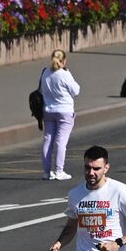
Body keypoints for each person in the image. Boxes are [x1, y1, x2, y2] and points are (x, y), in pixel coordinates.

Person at [41, 48, 81, 181]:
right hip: (65, 111)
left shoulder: (45, 73)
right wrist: (68, 72)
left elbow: (42, 90)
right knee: (61, 142)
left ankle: (46, 172)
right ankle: (59, 171)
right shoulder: (64, 74)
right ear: (63, 61)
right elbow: (76, 91)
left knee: (48, 140)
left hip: (48, 111)